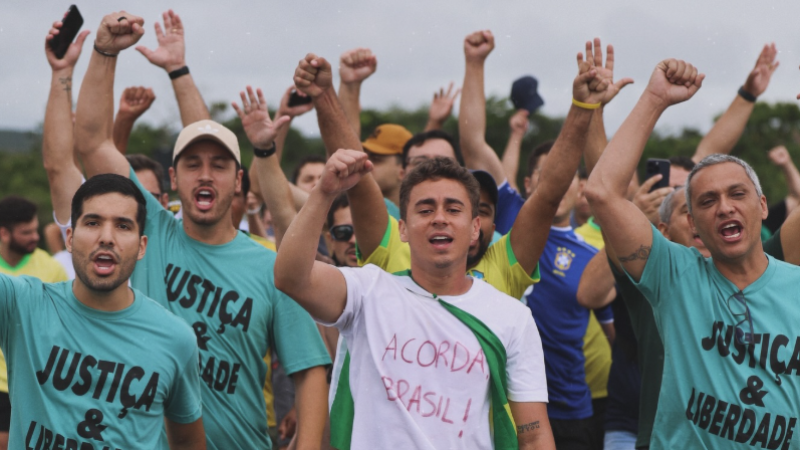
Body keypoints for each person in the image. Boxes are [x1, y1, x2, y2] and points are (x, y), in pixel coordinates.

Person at [73, 11, 330, 449]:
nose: (205, 175)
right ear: (174, 179)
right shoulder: (152, 230)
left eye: (219, 165)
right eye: (193, 165)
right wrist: (104, 53)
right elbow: (93, 143)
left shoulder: (271, 267)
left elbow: (309, 370)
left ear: (238, 181)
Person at [586, 56, 800, 448]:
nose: (724, 207)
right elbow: (601, 191)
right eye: (705, 202)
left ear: (764, 207)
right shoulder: (673, 276)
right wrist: (654, 99)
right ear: (692, 225)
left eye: (738, 194)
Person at [275, 150, 556, 449]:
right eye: (425, 210)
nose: (439, 219)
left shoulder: (512, 317)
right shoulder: (366, 291)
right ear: (403, 228)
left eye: (453, 209)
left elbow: (534, 436)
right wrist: (324, 192)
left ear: (475, 228)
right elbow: (290, 277)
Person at [1, 174, 205, 449]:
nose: (106, 237)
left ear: (142, 246)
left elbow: (187, 443)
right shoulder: (21, 305)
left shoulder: (176, 338)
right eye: (93, 222)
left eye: (123, 226)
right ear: (70, 238)